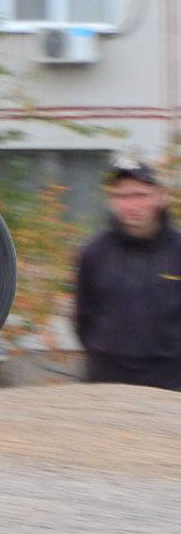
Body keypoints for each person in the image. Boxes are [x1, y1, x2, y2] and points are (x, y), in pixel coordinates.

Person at [73, 158, 181, 391]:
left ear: (161, 197)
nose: (130, 205)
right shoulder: (93, 253)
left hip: (170, 385)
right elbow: (83, 319)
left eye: (140, 195)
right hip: (106, 382)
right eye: (122, 196)